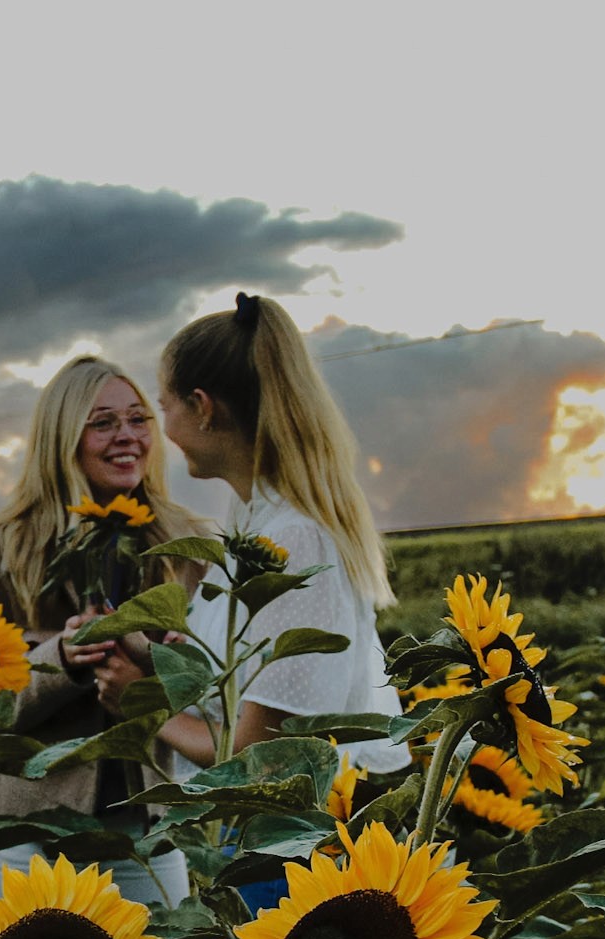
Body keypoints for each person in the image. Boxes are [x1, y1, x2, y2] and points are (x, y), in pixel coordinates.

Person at [94, 292, 407, 791]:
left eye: (163, 406)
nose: (163, 428)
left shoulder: (297, 543)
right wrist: (133, 643)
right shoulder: (257, 527)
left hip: (277, 849)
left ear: (202, 408)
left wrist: (146, 706)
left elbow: (263, 757)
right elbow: (237, 684)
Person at [0, 355, 207, 907]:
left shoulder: (182, 546)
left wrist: (153, 665)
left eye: (138, 419)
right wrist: (62, 659)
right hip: (28, 836)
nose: (127, 437)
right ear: (62, 439)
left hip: (142, 834)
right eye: (102, 423)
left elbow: (211, 687)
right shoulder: (3, 551)